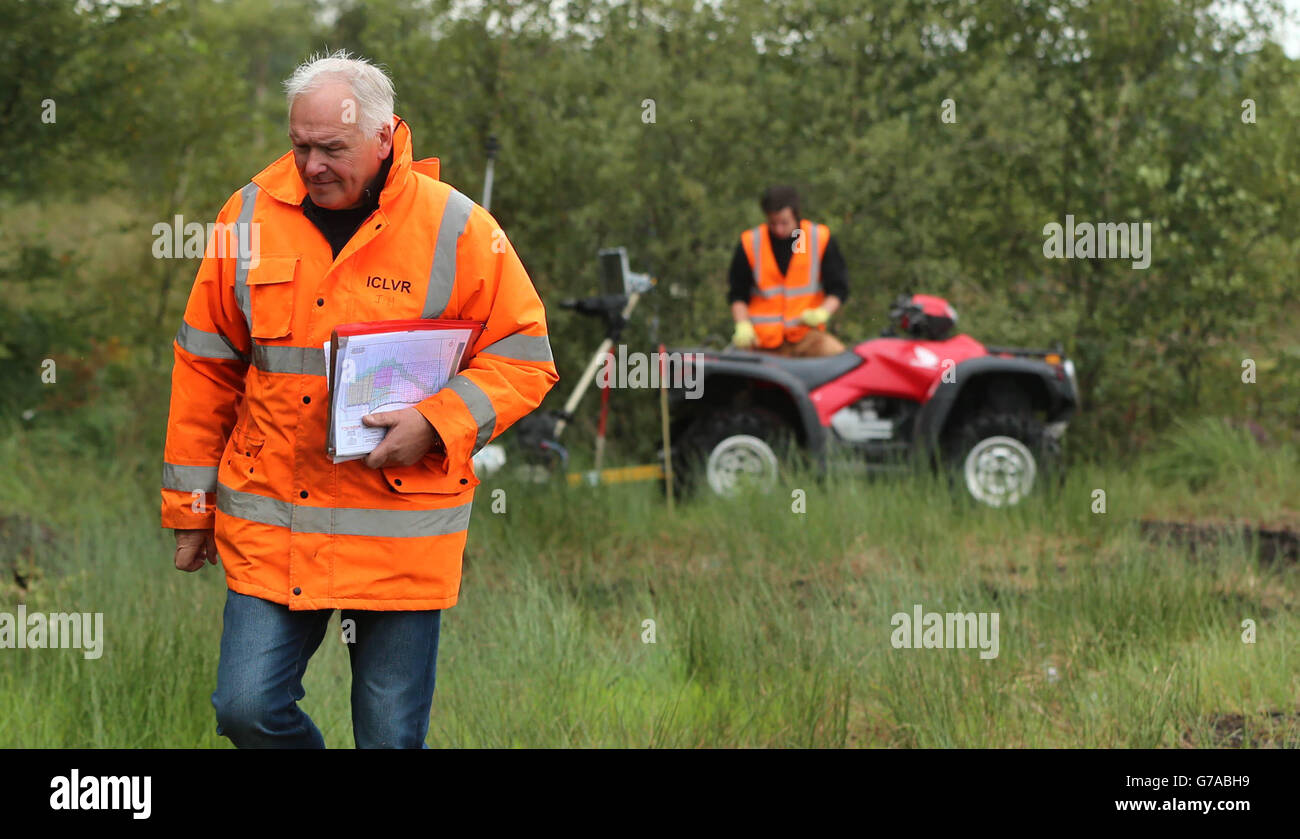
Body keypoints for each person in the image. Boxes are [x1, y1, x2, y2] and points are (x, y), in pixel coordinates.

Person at [159, 50, 558, 748]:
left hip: (399, 531)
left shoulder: (457, 227)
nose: (312, 165)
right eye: (299, 146)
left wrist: (437, 422)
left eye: (332, 148)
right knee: (244, 707)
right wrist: (192, 510)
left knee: (390, 738)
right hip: (274, 525)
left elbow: (525, 356)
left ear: (382, 138)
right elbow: (205, 368)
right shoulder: (247, 213)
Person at [727, 185, 849, 357]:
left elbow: (838, 288)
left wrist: (823, 312)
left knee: (842, 363)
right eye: (773, 223)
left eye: (784, 222)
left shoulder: (819, 238)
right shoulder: (750, 243)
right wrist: (742, 325)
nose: (779, 229)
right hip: (761, 342)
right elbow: (738, 294)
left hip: (808, 337)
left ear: (796, 214)